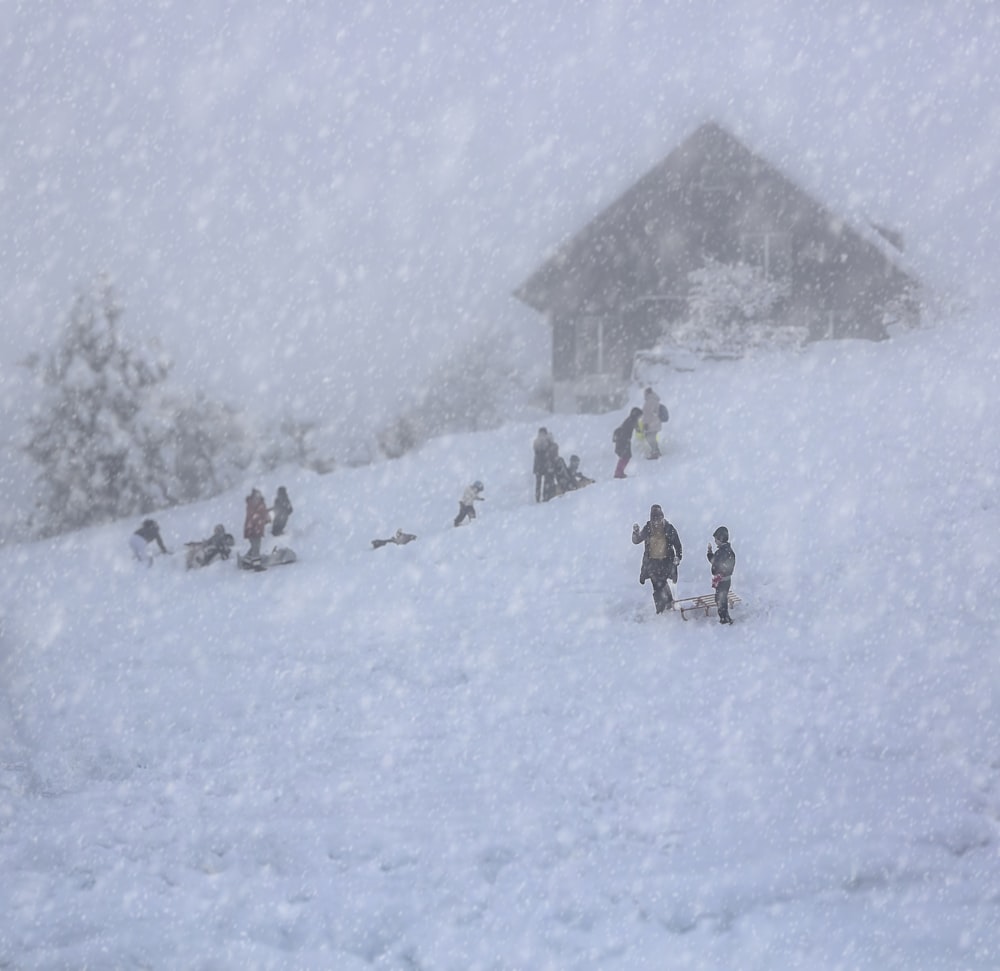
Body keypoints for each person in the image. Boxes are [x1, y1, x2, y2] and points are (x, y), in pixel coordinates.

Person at [632, 504, 683, 614]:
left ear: (662, 517)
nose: (656, 522)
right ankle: (661, 609)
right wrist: (636, 533)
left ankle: (668, 603)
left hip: (666, 561)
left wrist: (678, 557)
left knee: (663, 582)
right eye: (654, 519)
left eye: (658, 519)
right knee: (657, 585)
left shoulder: (669, 528)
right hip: (652, 562)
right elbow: (637, 540)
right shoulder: (648, 528)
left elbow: (678, 545)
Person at [707, 525, 736, 625]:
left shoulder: (722, 552)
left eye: (716, 539)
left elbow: (715, 562)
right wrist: (710, 552)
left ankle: (724, 619)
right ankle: (725, 617)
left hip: (721, 580)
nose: (715, 541)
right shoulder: (727, 551)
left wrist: (716, 570)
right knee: (721, 599)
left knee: (720, 600)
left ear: (720, 539)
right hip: (725, 579)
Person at [613, 407, 643, 479]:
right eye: (639, 416)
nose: (640, 418)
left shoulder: (629, 420)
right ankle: (618, 472)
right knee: (625, 457)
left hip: (621, 440)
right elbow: (638, 430)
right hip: (624, 441)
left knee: (624, 457)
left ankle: (619, 472)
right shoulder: (632, 420)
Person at [244, 488, 271, 563]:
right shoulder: (252, 504)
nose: (258, 497)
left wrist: (266, 519)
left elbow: (263, 514)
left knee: (255, 546)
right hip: (253, 529)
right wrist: (262, 517)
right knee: (256, 547)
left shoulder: (260, 504)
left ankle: (247, 560)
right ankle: (256, 564)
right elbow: (254, 515)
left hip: (256, 528)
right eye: (256, 496)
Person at [532, 428, 556, 503]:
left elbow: (536, 453)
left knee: (538, 483)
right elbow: (550, 453)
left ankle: (537, 498)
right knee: (546, 482)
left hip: (537, 466)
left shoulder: (536, 441)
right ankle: (545, 497)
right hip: (546, 465)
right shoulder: (547, 441)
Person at [642, 387, 663, 459]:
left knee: (649, 437)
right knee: (652, 437)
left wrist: (645, 423)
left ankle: (655, 452)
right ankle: (656, 451)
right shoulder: (655, 400)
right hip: (656, 422)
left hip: (651, 423)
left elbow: (647, 414)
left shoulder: (650, 401)